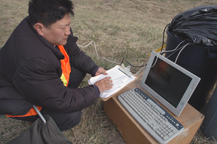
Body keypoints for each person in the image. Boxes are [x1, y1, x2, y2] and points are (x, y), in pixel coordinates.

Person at [0, 0, 113, 131]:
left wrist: (94, 68)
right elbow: (62, 100)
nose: (68, 32)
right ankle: (39, 125)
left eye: (68, 25)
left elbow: (73, 52)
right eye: (63, 27)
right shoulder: (34, 61)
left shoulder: (44, 24)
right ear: (40, 28)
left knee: (79, 70)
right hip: (18, 98)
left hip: (36, 83)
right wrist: (96, 90)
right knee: (71, 116)